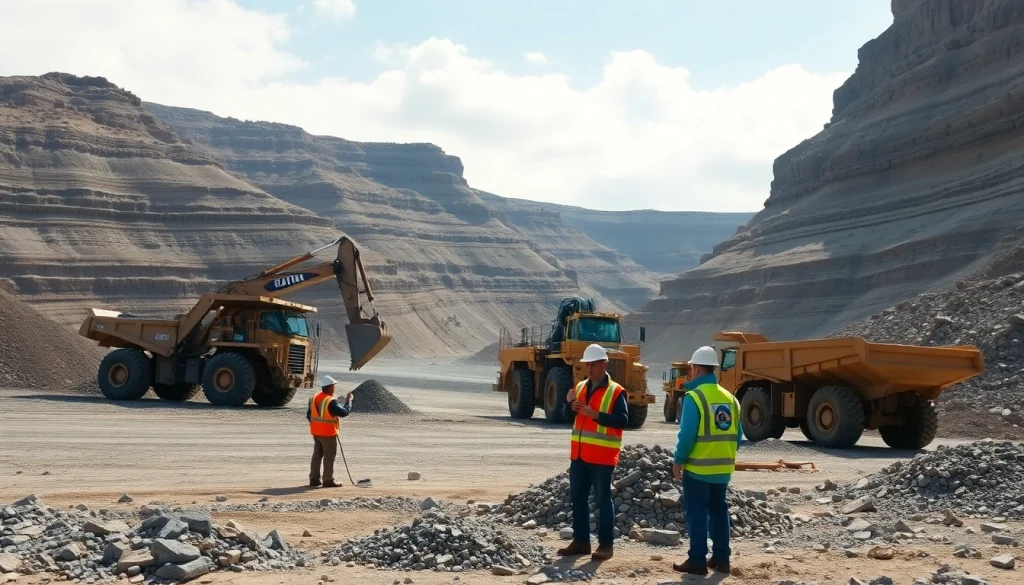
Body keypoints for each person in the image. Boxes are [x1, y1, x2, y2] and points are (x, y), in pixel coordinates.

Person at [670, 346, 742, 575]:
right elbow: (738, 436)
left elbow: (687, 434)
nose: (690, 372)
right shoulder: (731, 399)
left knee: (697, 512)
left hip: (698, 469)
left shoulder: (695, 397)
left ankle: (697, 561)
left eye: (692, 368)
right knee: (719, 511)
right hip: (722, 469)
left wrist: (678, 460)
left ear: (698, 368)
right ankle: (722, 560)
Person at [556, 343, 629, 561]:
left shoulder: (616, 391)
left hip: (602, 457)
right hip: (579, 456)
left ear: (603, 364)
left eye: (593, 364)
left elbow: (622, 420)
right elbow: (569, 418)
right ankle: (581, 541)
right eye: (587, 365)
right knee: (577, 498)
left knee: (602, 499)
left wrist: (596, 415)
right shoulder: (579, 388)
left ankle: (606, 545)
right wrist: (569, 405)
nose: (589, 369)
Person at [306, 375, 354, 488]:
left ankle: (314, 479)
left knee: (317, 455)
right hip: (328, 433)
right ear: (329, 387)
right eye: (333, 386)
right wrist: (349, 402)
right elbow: (344, 413)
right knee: (329, 456)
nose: (334, 388)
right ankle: (328, 480)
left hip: (316, 432)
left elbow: (309, 415)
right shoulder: (330, 401)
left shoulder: (314, 398)